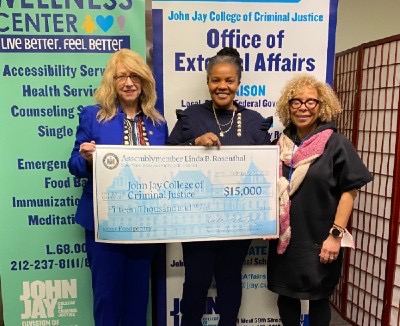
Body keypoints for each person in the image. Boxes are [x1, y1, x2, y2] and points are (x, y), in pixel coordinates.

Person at [167, 47, 273, 325]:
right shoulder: (191, 117)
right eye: (216, 80)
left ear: (238, 83)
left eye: (229, 80)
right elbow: (166, 160)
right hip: (196, 220)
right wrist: (193, 144)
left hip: (238, 221)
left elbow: (267, 171)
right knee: (197, 280)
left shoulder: (254, 122)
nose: (222, 86)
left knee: (229, 279)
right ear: (208, 82)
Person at [68, 48, 168, 326]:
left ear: (145, 81)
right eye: (121, 76)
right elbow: (73, 165)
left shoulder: (158, 123)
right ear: (111, 82)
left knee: (138, 299)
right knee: (107, 297)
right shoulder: (93, 116)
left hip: (144, 225)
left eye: (135, 76)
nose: (128, 82)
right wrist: (87, 159)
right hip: (104, 224)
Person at [267, 74, 373, 326]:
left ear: (322, 105)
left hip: (321, 239)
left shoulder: (336, 144)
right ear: (287, 105)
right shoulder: (278, 145)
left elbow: (350, 191)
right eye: (296, 102)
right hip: (286, 239)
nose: (303, 108)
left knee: (319, 299)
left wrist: (335, 236)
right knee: (287, 296)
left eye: (311, 102)